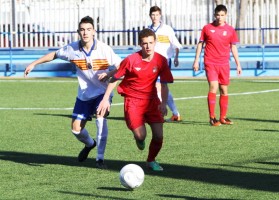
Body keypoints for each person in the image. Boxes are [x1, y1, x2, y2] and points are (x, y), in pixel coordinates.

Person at [24, 16, 121, 168]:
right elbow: (54, 55)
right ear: (78, 32)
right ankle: (90, 144)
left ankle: (100, 159)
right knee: (76, 129)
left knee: (100, 118)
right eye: (82, 30)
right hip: (84, 94)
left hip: (102, 92)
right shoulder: (72, 49)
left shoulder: (104, 49)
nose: (85, 33)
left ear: (94, 31)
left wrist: (108, 80)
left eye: (88, 29)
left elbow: (120, 68)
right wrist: (34, 63)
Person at [97, 28, 173, 171]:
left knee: (158, 135)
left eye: (151, 42)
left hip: (152, 101)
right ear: (140, 44)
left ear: (155, 42)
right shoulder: (131, 60)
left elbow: (164, 85)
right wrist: (105, 99)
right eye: (145, 43)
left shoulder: (161, 60)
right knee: (141, 135)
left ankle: (151, 160)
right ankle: (139, 139)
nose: (148, 46)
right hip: (133, 101)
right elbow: (115, 78)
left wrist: (163, 103)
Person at [192, 4, 242, 126]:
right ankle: (212, 117)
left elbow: (233, 47)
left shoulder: (230, 30)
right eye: (218, 15)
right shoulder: (207, 28)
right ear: (215, 15)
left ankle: (223, 117)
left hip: (224, 64)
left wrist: (238, 64)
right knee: (213, 87)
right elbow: (200, 44)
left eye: (222, 15)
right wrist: (196, 60)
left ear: (226, 15)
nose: (220, 17)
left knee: (224, 90)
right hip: (210, 62)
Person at [148, 5, 182, 122]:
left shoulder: (167, 29)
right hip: (151, 62)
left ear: (160, 15)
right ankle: (175, 113)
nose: (155, 17)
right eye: (153, 15)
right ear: (150, 16)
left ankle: (160, 112)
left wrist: (176, 58)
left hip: (164, 62)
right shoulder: (148, 30)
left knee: (160, 86)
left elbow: (176, 45)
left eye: (157, 14)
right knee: (160, 87)